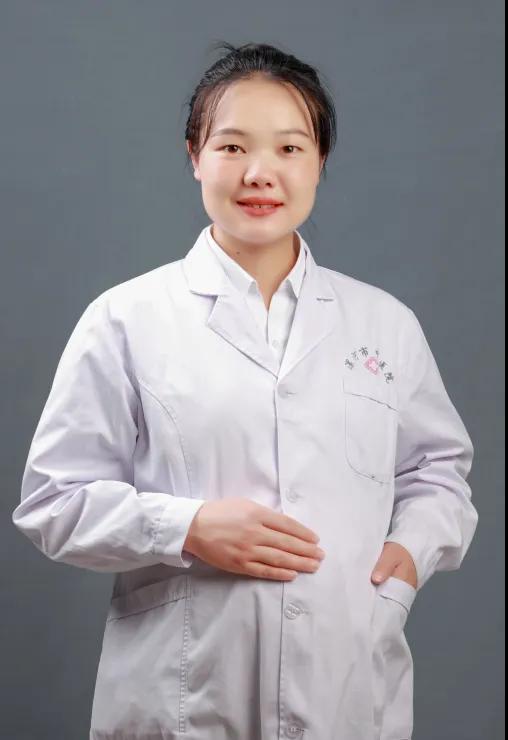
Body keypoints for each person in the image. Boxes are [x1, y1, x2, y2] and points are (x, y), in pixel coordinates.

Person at [12, 41, 478, 740]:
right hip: (182, 702)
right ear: (194, 156)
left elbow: (439, 472)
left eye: (290, 148)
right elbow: (54, 502)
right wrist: (189, 528)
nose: (260, 172)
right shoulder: (126, 319)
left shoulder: (385, 324)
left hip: (350, 695)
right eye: (232, 147)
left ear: (320, 161)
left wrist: (407, 562)